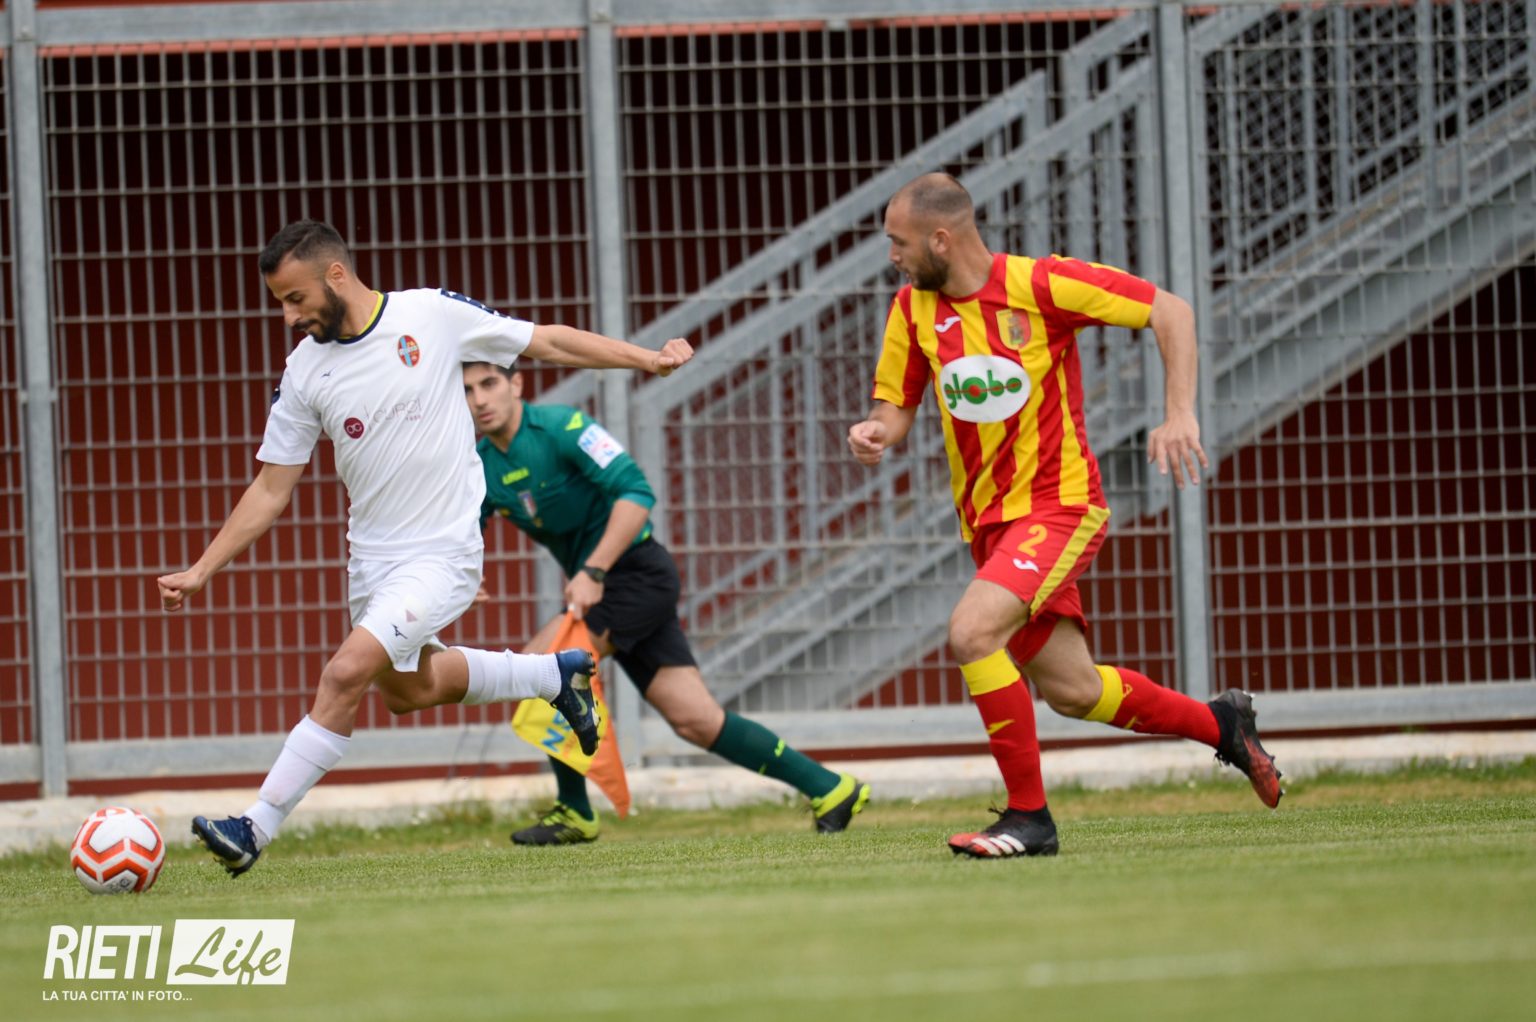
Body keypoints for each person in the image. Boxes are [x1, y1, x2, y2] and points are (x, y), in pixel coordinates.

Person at [157, 219, 693, 876]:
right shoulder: (304, 372)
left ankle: (254, 826)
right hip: (371, 563)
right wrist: (203, 569)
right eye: (282, 304)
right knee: (408, 691)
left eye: (296, 299)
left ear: (335, 275)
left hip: (442, 554)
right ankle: (553, 677)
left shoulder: (431, 315)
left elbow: (546, 340)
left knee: (344, 674)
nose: (290, 317)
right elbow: (271, 489)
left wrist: (646, 359)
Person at [847, 173, 1282, 859]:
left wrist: (1179, 413)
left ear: (942, 239)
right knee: (1075, 692)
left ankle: (1030, 819)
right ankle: (1222, 724)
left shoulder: (1043, 284)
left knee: (972, 631)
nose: (892, 257)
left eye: (899, 243)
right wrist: (876, 433)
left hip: (1060, 508)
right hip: (990, 527)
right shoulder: (911, 310)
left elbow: (1171, 312)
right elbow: (895, 407)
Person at [463, 362, 871, 843]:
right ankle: (831, 788)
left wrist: (593, 571)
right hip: (606, 588)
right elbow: (466, 528)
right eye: (467, 390)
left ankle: (574, 812)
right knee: (696, 721)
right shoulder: (479, 462)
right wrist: (467, 575)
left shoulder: (564, 427)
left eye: (489, 383)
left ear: (516, 383)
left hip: (637, 576)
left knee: (547, 663)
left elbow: (636, 494)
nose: (480, 399)